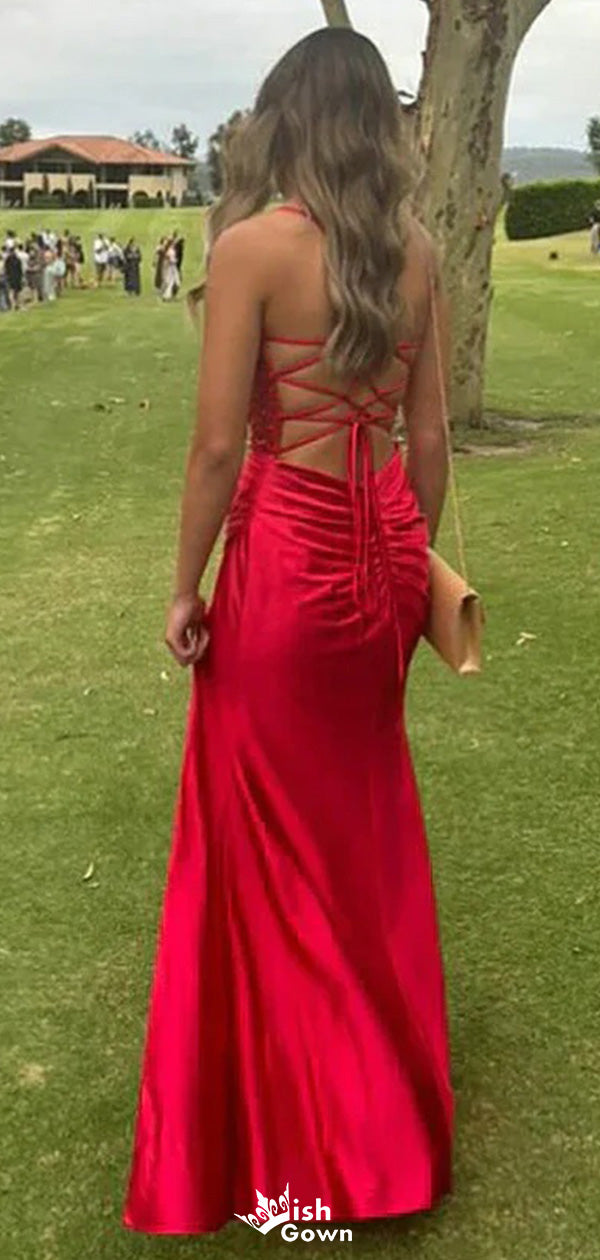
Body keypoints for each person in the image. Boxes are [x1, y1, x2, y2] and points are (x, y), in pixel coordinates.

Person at [123, 27, 453, 1237]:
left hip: (284, 569)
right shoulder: (416, 251)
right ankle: (381, 1114)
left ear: (287, 119)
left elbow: (219, 446)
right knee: (360, 830)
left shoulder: (252, 247)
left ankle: (304, 1141)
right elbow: (428, 442)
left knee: (267, 843)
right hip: (381, 563)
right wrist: (409, 571)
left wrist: (183, 588)